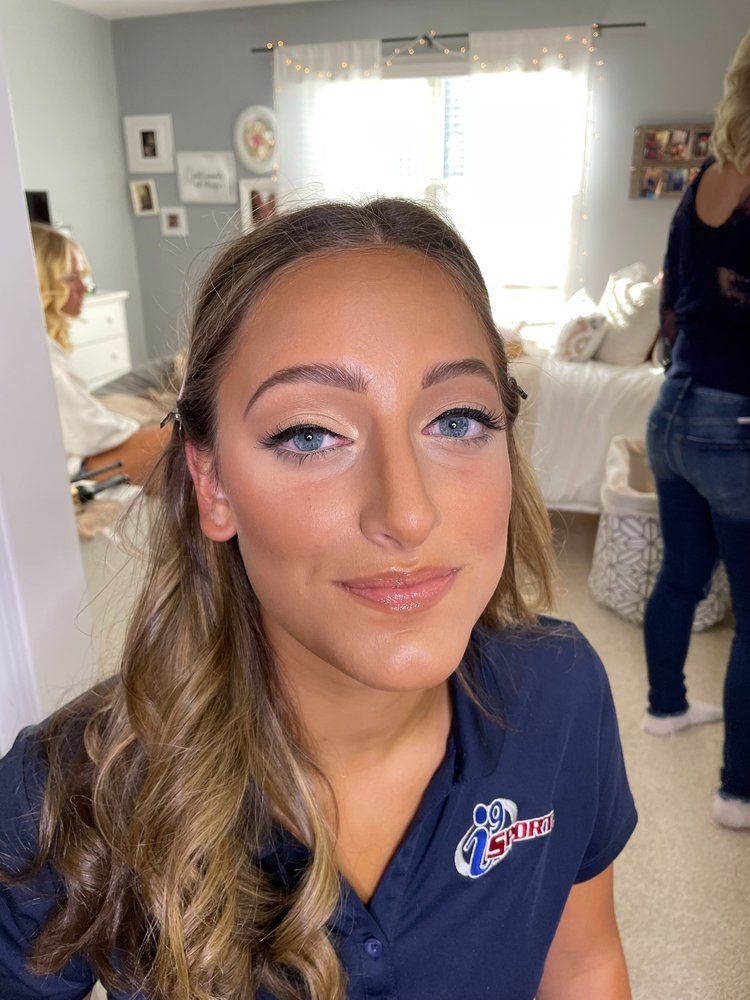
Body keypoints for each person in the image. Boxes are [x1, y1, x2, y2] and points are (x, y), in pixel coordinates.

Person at [2, 199, 637, 999]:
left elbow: (581, 964)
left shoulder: (561, 692)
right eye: (309, 434)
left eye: (458, 420)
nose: (407, 514)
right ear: (213, 483)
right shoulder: (69, 788)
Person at [642, 29, 750, 830]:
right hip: (735, 421)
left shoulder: (709, 176)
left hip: (673, 409)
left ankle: (666, 707)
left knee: (681, 575)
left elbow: (672, 292)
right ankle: (738, 792)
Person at [30, 223, 172, 484]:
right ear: (42, 283)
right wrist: (136, 429)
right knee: (184, 440)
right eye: (71, 278)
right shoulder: (40, 360)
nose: (84, 287)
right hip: (81, 468)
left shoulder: (37, 344)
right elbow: (94, 433)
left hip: (85, 452)